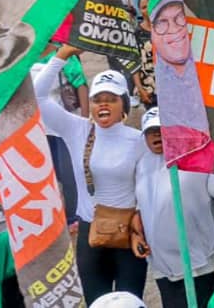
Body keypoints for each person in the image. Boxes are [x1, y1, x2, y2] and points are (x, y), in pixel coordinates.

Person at [34, 45, 147, 303]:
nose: (103, 104)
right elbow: (38, 98)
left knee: (130, 303)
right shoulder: (78, 130)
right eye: (97, 99)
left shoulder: (138, 139)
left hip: (128, 234)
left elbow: (146, 187)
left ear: (124, 104)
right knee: (97, 303)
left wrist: (142, 227)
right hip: (91, 234)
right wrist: (62, 56)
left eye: (111, 98)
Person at [131, 108, 214, 307]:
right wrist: (136, 232)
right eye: (150, 131)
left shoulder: (194, 158)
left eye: (161, 129)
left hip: (197, 258)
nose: (156, 135)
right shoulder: (142, 164)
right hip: (162, 263)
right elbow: (141, 205)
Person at [150, 0, 214, 172]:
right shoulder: (164, 89)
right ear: (151, 30)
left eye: (180, 19)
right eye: (162, 22)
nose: (175, 30)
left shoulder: (210, 73)